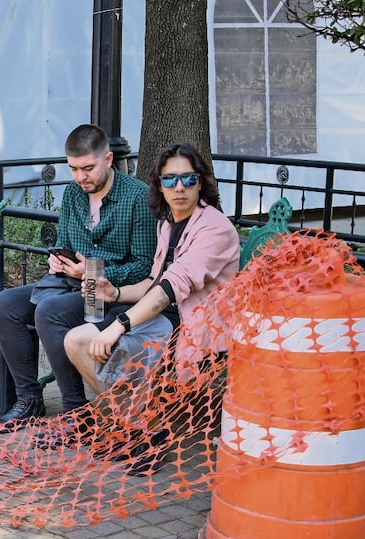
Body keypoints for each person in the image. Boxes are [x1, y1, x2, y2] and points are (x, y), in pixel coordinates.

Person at [56, 142, 241, 468]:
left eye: (188, 179)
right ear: (159, 184)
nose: (179, 187)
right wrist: (115, 294)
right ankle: (133, 426)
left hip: (195, 325)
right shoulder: (168, 222)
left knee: (112, 343)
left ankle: (146, 432)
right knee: (75, 340)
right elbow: (154, 281)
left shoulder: (214, 227)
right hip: (163, 314)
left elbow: (171, 288)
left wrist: (119, 324)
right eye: (170, 180)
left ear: (202, 182)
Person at [0, 124, 157, 428]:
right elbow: (67, 243)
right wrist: (58, 259)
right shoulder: (72, 194)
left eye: (88, 168)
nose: (81, 177)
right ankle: (29, 400)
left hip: (114, 293)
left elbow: (145, 267)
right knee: (4, 304)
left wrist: (93, 271)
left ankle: (76, 413)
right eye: (74, 169)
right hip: (73, 283)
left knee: (50, 312)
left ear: (108, 159)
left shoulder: (137, 198)